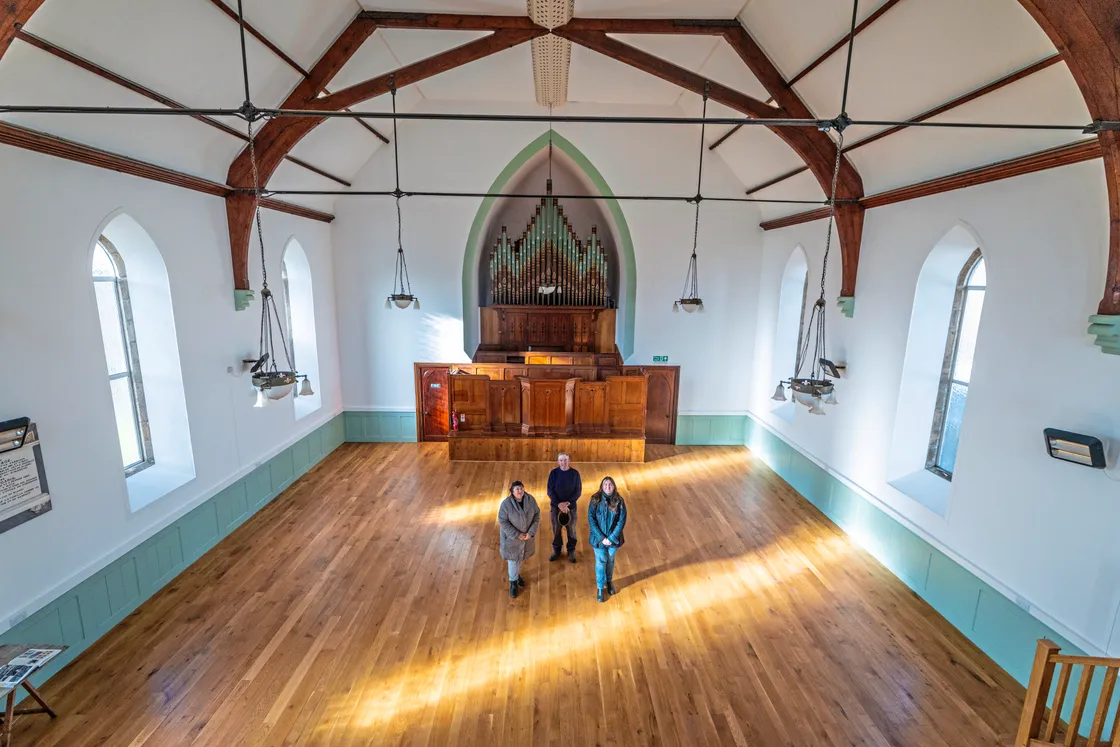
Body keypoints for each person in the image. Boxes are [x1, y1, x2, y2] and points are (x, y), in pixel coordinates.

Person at [587, 476, 627, 603]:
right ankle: (600, 588)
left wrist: (611, 538)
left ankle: (609, 582)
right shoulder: (595, 500)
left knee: (610, 561)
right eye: (605, 485)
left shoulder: (619, 501)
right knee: (601, 561)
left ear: (614, 486)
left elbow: (621, 521)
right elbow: (591, 520)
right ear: (601, 487)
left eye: (610, 485)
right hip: (598, 540)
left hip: (613, 540)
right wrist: (602, 538)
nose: (608, 487)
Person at [498, 480, 540, 599]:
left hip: (526, 537)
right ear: (512, 491)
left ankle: (516, 575)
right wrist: (517, 534)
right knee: (513, 560)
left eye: (521, 488)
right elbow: (503, 521)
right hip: (512, 539)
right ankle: (513, 583)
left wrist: (531, 533)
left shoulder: (530, 500)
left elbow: (537, 515)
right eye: (517, 489)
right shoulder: (506, 504)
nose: (520, 491)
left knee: (519, 558)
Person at [546, 452, 582, 563]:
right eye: (561, 460)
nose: (563, 462)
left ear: (569, 460)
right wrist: (559, 504)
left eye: (565, 460)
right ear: (558, 461)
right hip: (556, 507)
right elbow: (550, 490)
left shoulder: (575, 474)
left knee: (571, 530)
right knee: (556, 529)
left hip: (571, 508)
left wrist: (567, 504)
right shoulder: (553, 473)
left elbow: (578, 491)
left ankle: (571, 550)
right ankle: (557, 550)